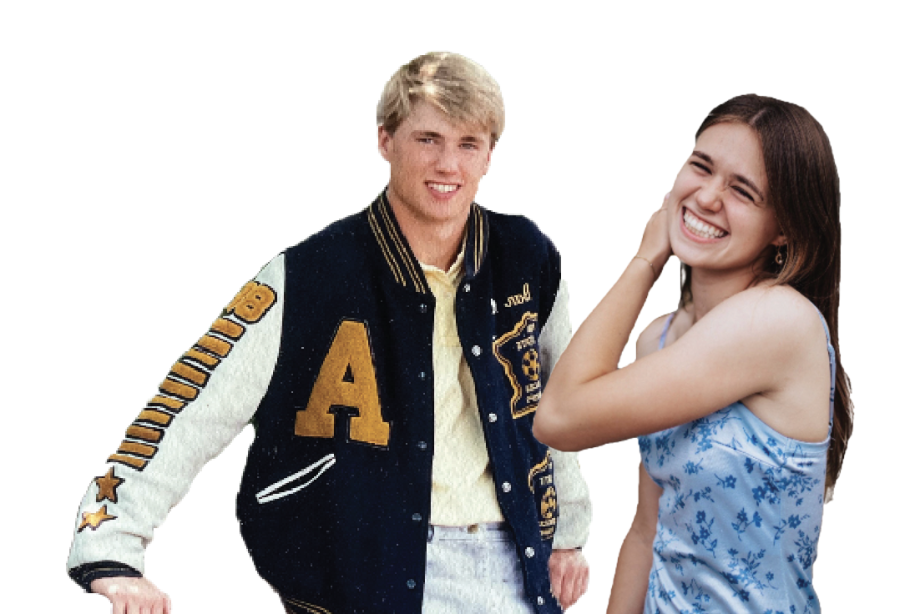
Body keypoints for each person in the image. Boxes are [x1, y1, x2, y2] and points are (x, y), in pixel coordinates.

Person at [66, 52, 592, 613]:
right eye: (428, 139)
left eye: (468, 143)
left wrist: (567, 533)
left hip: (513, 567)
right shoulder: (312, 275)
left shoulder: (526, 258)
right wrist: (112, 545)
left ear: (489, 155)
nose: (448, 164)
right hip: (367, 578)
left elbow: (557, 403)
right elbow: (194, 401)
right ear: (386, 140)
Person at [534, 95, 852, 613]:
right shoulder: (659, 340)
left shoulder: (778, 321)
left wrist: (645, 261)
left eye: (742, 191)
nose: (706, 196)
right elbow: (647, 531)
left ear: (783, 229)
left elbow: (560, 416)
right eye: (701, 166)